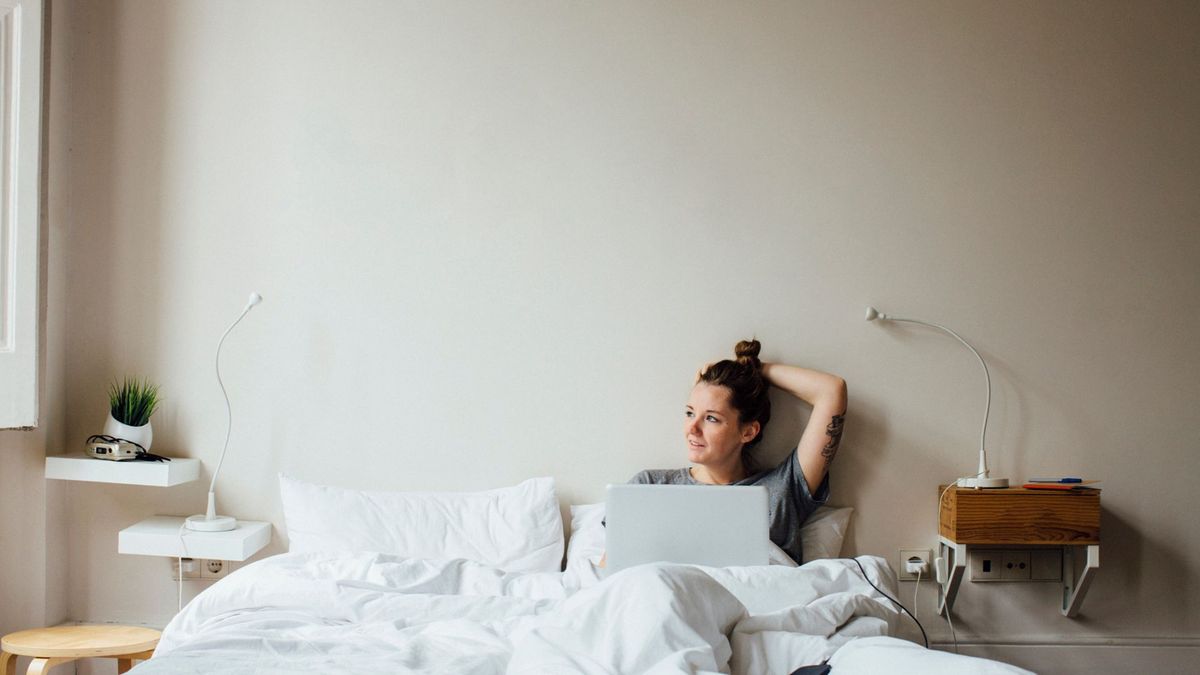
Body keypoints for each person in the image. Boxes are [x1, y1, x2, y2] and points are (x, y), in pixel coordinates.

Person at [628, 339, 847, 564]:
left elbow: (832, 390)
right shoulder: (649, 486)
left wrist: (754, 369)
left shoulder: (780, 488)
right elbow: (613, 576)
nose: (692, 428)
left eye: (711, 418)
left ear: (748, 432)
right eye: (690, 413)